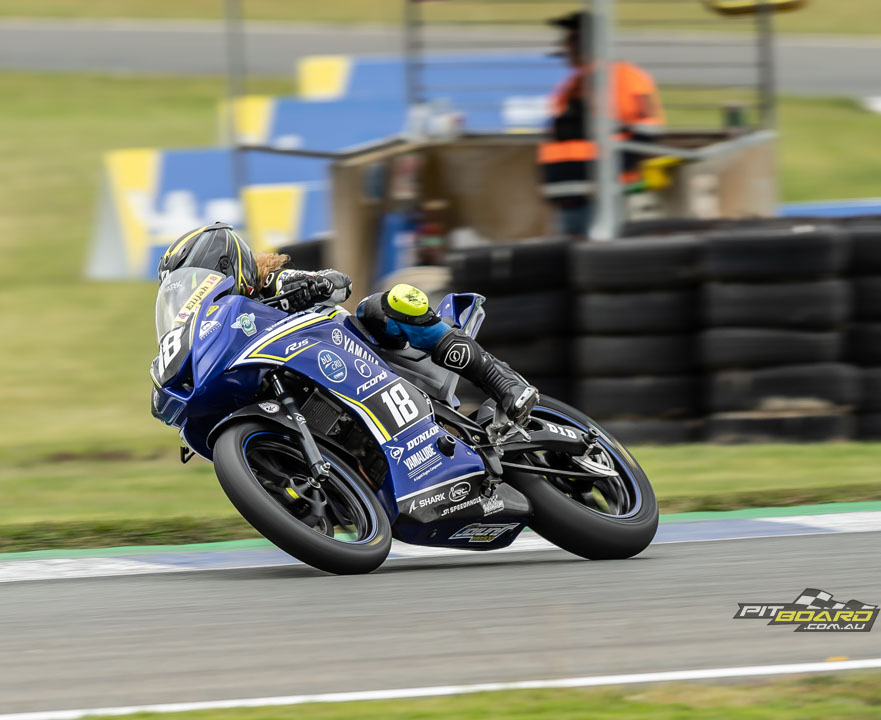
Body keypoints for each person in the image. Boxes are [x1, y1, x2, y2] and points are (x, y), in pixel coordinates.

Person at [157, 223, 538, 425]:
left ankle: (502, 381)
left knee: (385, 304)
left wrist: (316, 286)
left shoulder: (274, 283)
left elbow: (340, 284)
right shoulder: (215, 330)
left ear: (226, 264)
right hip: (306, 390)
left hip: (368, 358)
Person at [540, 11, 666, 237]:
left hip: (603, 201)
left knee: (606, 255)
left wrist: (607, 178)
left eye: (570, 39)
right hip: (568, 202)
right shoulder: (569, 86)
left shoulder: (624, 77)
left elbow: (646, 133)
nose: (564, 47)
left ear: (585, 42)